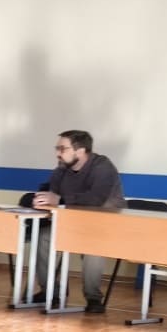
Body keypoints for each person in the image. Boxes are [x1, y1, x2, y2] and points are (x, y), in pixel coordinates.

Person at [31, 129, 126, 314]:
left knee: (92, 243)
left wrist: (59, 199)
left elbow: (96, 199)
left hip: (103, 223)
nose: (58, 153)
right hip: (71, 222)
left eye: (62, 148)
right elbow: (53, 193)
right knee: (44, 237)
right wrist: (42, 200)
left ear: (80, 151)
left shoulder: (102, 166)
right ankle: (50, 291)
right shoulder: (62, 168)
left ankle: (93, 298)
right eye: (57, 148)